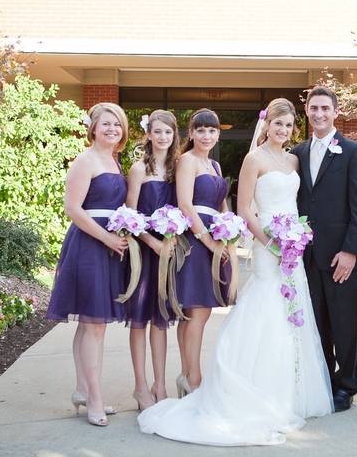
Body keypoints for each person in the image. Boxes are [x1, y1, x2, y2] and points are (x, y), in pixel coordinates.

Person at [138, 98, 333, 445]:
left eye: (289, 126)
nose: (283, 130)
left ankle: (289, 387)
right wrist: (265, 241)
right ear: (267, 125)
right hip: (261, 243)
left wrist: (292, 237)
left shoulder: (291, 160)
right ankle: (202, 378)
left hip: (290, 245)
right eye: (278, 124)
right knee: (250, 306)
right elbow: (243, 207)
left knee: (291, 310)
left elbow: (228, 206)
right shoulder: (250, 159)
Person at [46, 102, 131, 427]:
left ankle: (82, 390)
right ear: (93, 128)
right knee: (94, 324)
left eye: (118, 125)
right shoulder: (85, 160)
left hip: (109, 247)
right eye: (107, 124)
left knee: (90, 325)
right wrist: (107, 239)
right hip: (89, 246)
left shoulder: (112, 160)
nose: (113, 129)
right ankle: (94, 398)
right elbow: (73, 209)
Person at [293, 86, 357, 411]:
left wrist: (351, 251)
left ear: (335, 111)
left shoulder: (353, 151)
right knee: (317, 321)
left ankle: (346, 385)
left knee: (343, 323)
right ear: (307, 112)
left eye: (325, 108)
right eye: (314, 108)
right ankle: (321, 379)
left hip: (341, 253)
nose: (319, 114)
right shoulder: (296, 153)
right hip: (306, 254)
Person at [124, 110, 181, 410]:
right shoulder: (138, 169)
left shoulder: (176, 169)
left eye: (168, 133)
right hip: (143, 252)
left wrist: (168, 244)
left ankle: (160, 384)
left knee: (160, 322)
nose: (162, 137)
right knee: (139, 321)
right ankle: (140, 386)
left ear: (174, 136)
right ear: (148, 134)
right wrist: (152, 243)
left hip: (168, 252)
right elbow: (130, 216)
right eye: (157, 132)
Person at [173, 108, 232, 396]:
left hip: (215, 239)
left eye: (212, 130)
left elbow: (222, 205)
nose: (207, 135)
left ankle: (186, 375)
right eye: (201, 130)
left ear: (218, 134)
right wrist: (207, 240)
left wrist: (230, 228)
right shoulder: (187, 161)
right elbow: (185, 204)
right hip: (195, 240)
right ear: (192, 133)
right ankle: (192, 378)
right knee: (196, 311)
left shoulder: (215, 166)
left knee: (199, 312)